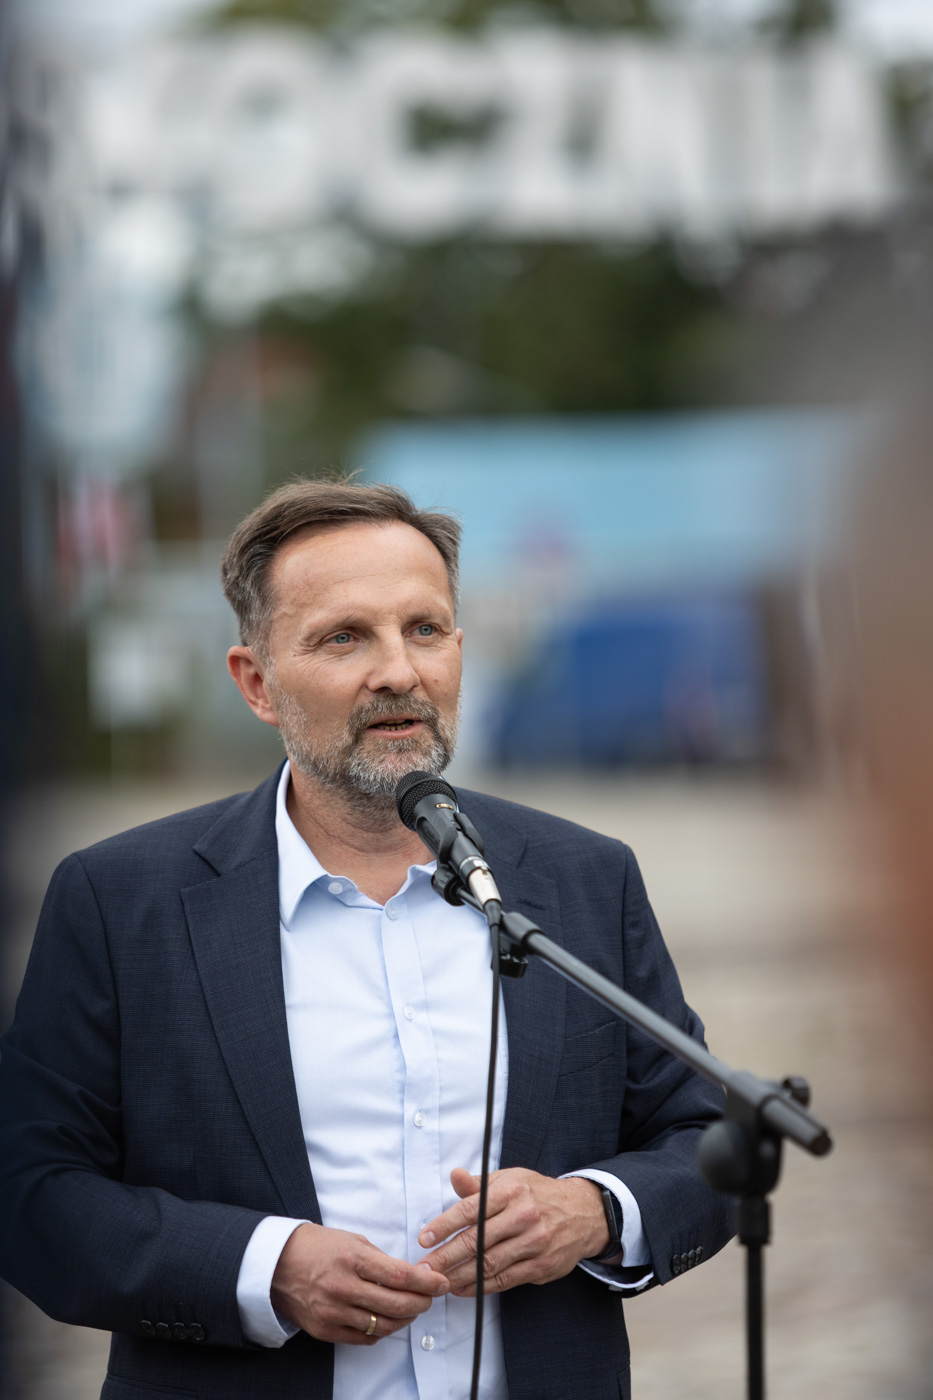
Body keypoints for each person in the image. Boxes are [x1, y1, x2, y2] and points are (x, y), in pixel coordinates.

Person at [0, 481, 734, 1400]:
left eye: (424, 629)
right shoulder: (120, 901)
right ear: (257, 683)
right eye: (344, 637)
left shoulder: (583, 878)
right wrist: (263, 1267)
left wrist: (594, 1211)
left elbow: (710, 1139)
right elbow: (31, 1191)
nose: (398, 671)